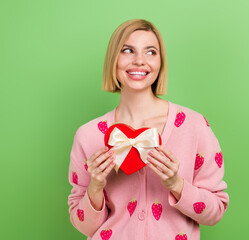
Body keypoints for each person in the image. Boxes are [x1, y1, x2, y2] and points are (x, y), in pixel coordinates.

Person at [68, 19, 229, 240]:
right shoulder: (87, 135)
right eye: (127, 50)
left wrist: (176, 184)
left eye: (150, 52)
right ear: (113, 60)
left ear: (160, 63)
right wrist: (95, 187)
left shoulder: (195, 126)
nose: (139, 61)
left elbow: (215, 212)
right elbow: (83, 226)